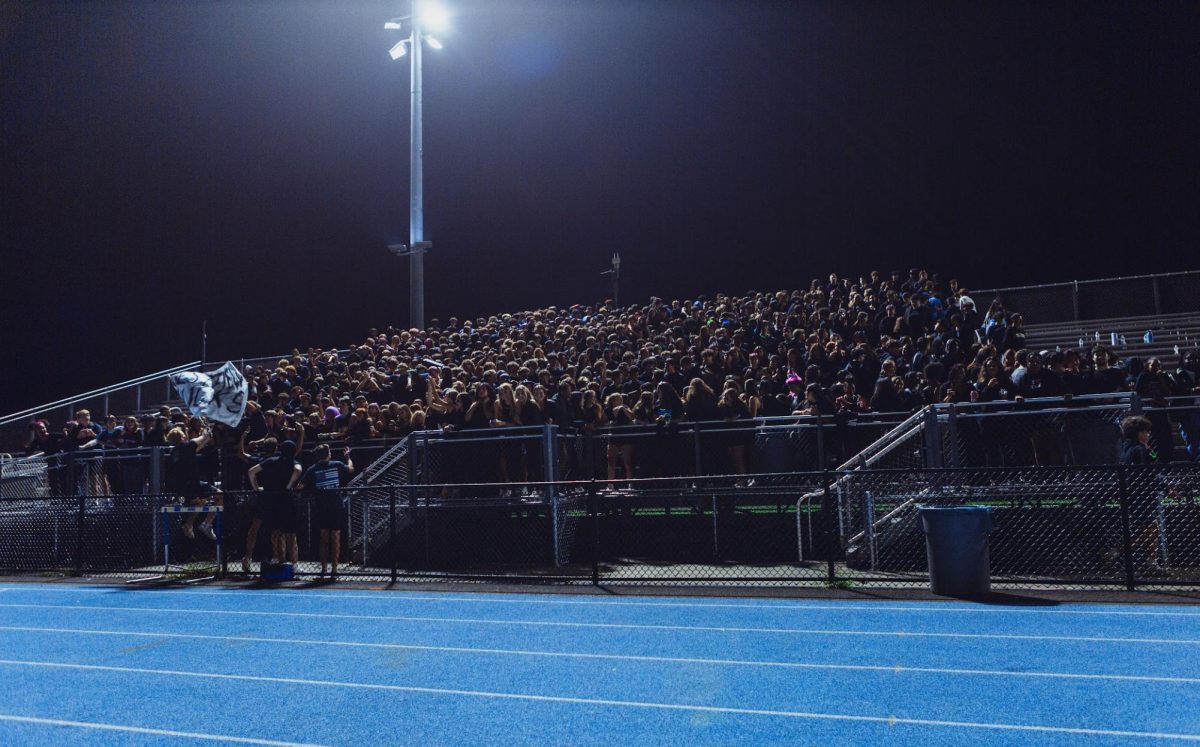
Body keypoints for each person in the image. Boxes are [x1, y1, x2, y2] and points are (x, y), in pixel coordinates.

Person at [298, 444, 354, 579]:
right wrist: (348, 457)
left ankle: (324, 570)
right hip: (335, 506)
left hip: (322, 506)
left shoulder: (313, 469)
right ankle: (334, 569)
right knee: (335, 537)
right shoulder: (337, 464)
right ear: (328, 453)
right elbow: (351, 469)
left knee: (324, 538)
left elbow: (300, 486)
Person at [1119, 416, 1164, 574]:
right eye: (1144, 431)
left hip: (1133, 495)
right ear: (1136, 433)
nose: (1148, 434)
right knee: (1149, 529)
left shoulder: (1127, 448)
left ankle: (1151, 563)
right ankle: (1119, 551)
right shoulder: (1139, 449)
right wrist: (1164, 486)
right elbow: (1149, 473)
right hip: (1142, 495)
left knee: (1153, 528)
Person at [248, 439, 302, 567]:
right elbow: (298, 470)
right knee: (290, 534)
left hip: (270, 500)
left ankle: (278, 559)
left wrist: (256, 488)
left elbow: (251, 472)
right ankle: (294, 564)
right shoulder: (292, 462)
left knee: (275, 532)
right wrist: (289, 485)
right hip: (286, 499)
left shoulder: (271, 461)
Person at [165, 426, 220, 540]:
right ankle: (207, 524)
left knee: (200, 503)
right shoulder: (187, 445)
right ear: (182, 437)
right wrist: (206, 430)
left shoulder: (177, 450)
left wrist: (207, 436)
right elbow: (202, 437)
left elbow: (200, 445)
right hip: (192, 484)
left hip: (183, 485)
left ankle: (188, 524)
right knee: (220, 495)